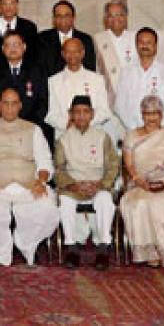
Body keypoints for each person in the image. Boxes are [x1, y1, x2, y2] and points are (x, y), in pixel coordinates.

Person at [0, 88, 59, 267]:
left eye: (14, 104)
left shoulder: (34, 129)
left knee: (46, 206)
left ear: (20, 106)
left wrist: (40, 182)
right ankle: (0, 250)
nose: (10, 108)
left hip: (28, 184)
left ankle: (26, 244)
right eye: (6, 103)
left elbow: (44, 161)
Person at [119, 95, 164, 268]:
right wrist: (139, 180)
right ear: (141, 114)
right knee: (137, 203)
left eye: (155, 113)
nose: (151, 118)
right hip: (140, 182)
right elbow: (129, 164)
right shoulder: (131, 136)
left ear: (162, 114)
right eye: (147, 113)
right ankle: (149, 252)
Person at [55, 95, 119, 269]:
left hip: (98, 185)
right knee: (65, 202)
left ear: (92, 114)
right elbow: (58, 169)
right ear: (71, 115)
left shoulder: (102, 137)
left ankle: (103, 248)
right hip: (73, 187)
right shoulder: (63, 139)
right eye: (77, 112)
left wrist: (100, 184)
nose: (81, 116)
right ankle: (71, 247)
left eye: (85, 112)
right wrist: (73, 185)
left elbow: (113, 165)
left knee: (105, 200)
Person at [0, 31, 49, 142]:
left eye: (16, 44)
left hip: (29, 128)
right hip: (1, 129)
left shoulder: (37, 70)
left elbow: (42, 102)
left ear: (24, 47)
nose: (12, 48)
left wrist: (27, 125)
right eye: (8, 45)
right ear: (3, 48)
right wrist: (4, 124)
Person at [114, 28, 164, 131]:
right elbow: (119, 105)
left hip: (161, 132)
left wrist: (156, 126)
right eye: (141, 42)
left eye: (149, 42)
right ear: (136, 45)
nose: (144, 46)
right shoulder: (126, 72)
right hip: (133, 131)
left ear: (156, 46)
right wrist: (134, 128)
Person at [46, 37, 113, 136]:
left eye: (76, 51)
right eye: (68, 52)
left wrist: (84, 123)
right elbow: (51, 114)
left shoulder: (97, 79)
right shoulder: (53, 81)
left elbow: (104, 111)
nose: (72, 55)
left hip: (93, 132)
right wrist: (68, 124)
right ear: (63, 54)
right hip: (65, 134)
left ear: (82, 53)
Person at [36, 0, 96, 79]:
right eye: (59, 16)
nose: (63, 19)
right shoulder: (42, 38)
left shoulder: (85, 39)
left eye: (66, 15)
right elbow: (39, 68)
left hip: (79, 85)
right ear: (54, 19)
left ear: (73, 18)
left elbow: (90, 68)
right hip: (50, 86)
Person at [92, 0, 132, 106]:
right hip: (107, 97)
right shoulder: (97, 39)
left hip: (132, 95)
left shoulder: (135, 38)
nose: (116, 19)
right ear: (106, 19)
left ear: (126, 17)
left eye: (120, 15)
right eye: (111, 15)